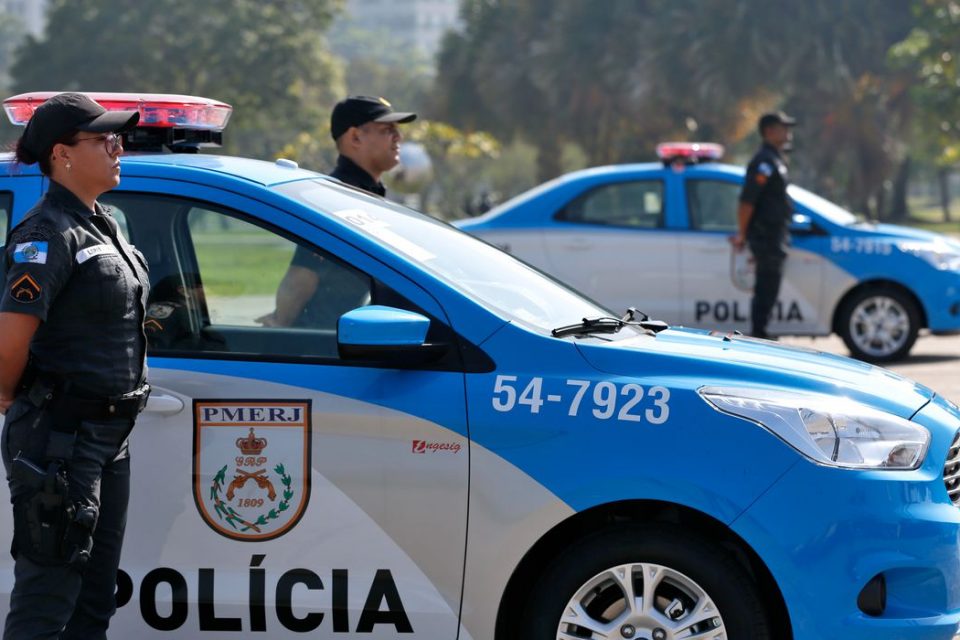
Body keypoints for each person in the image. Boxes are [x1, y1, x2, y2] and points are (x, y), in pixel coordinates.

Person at [0, 93, 150, 639]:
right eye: (104, 139)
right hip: (60, 439)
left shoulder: (102, 223)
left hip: (108, 438)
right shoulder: (46, 235)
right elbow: (10, 341)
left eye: (119, 138)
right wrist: (9, 392)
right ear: (62, 154)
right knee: (46, 605)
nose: (119, 147)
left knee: (92, 606)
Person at [258, 95, 416, 327]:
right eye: (387, 130)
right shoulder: (336, 199)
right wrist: (280, 327)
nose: (398, 137)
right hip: (321, 345)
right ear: (355, 137)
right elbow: (301, 277)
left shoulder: (364, 192)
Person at [733, 110, 796, 339]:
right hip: (766, 236)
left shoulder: (776, 159)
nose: (788, 132)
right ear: (769, 131)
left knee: (771, 287)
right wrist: (742, 234)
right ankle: (760, 334)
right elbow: (747, 202)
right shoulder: (763, 162)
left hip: (775, 235)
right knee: (765, 288)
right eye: (783, 127)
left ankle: (762, 332)